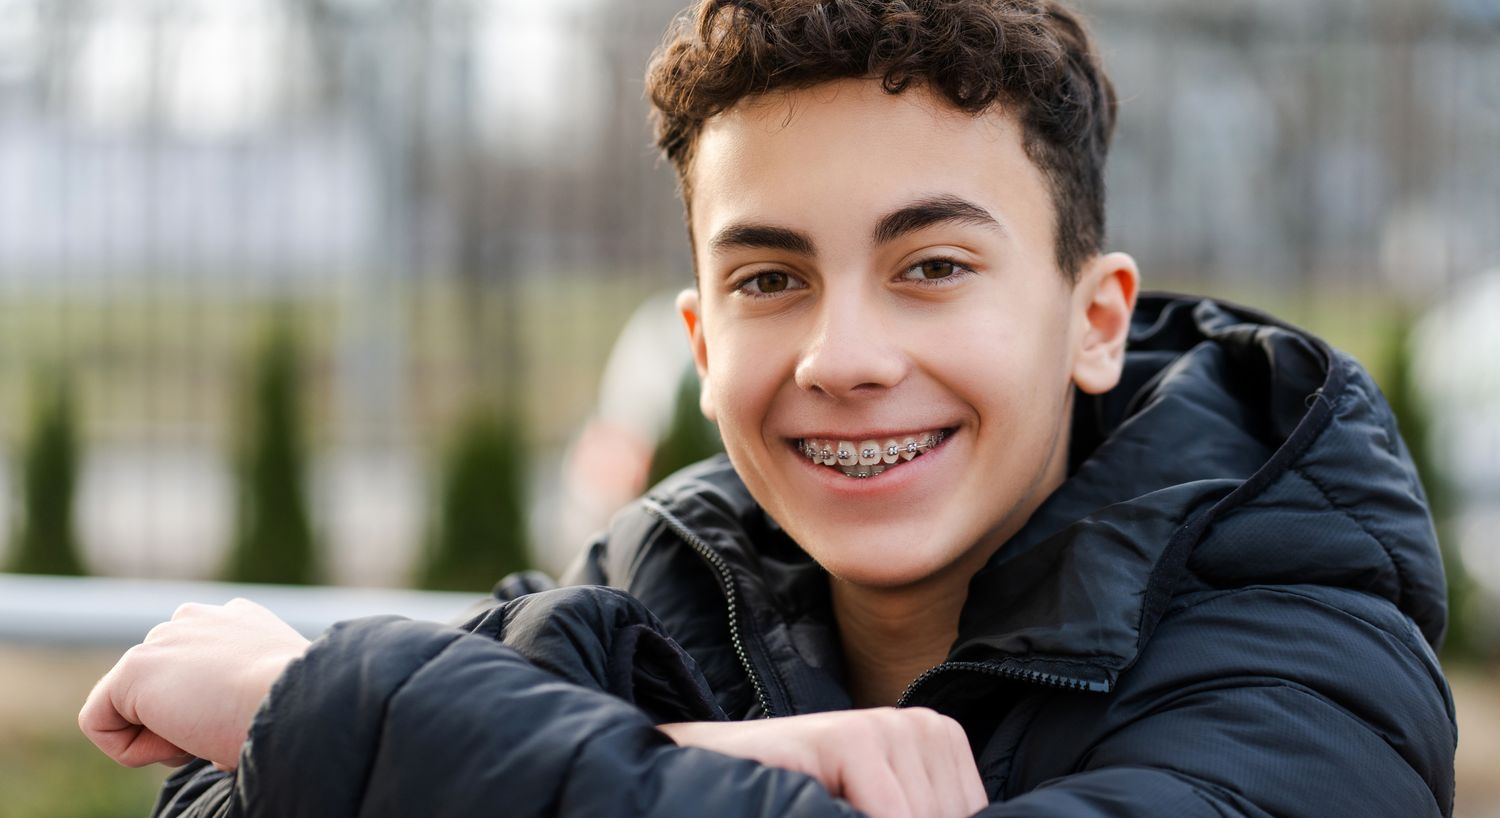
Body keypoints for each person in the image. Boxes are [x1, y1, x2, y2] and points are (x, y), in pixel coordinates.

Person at [79, 1, 1458, 816]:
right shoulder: (660, 575)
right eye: (770, 275)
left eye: (931, 266)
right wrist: (740, 754)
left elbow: (329, 746)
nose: (842, 354)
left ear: (1092, 320)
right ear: (697, 334)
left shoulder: (1311, 646)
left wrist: (323, 701)